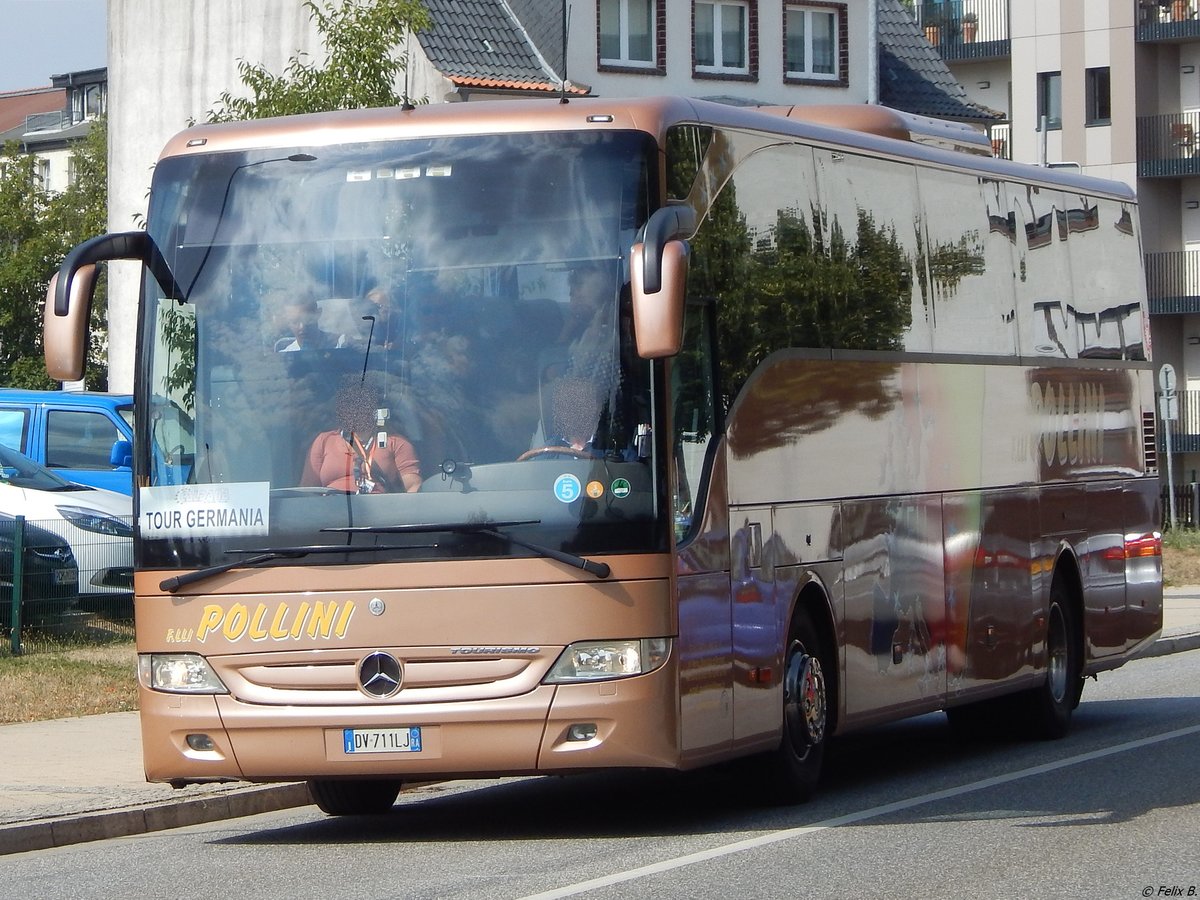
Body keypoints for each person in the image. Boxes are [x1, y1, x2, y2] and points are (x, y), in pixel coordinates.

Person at [300, 381, 422, 493]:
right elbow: (307, 490)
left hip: (381, 511)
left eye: (361, 403)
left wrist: (400, 513)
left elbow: (413, 486)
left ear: (373, 407)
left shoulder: (395, 442)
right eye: (348, 404)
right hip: (331, 512)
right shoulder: (324, 441)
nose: (354, 410)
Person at [274, 297, 347, 352]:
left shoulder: (342, 345)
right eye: (295, 321)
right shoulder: (286, 355)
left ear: (318, 313)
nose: (302, 327)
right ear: (287, 322)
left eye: (307, 319)